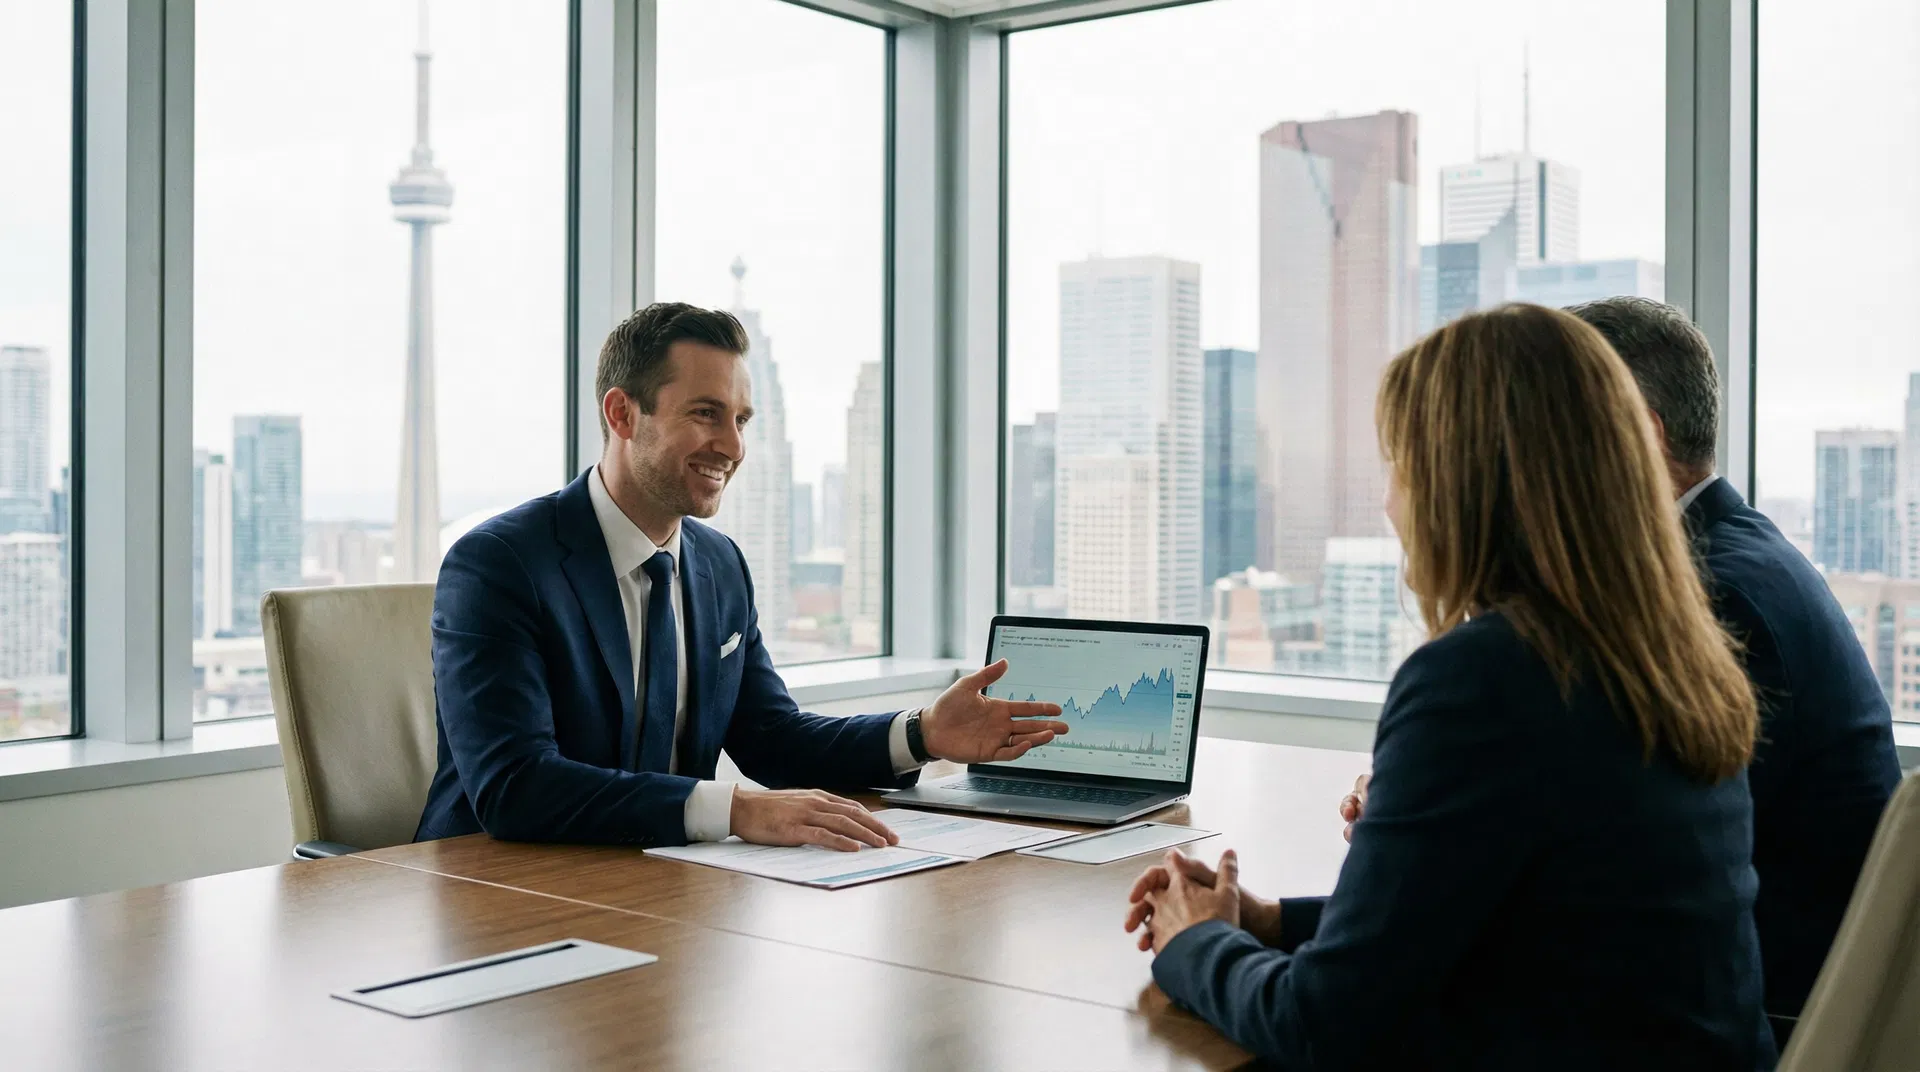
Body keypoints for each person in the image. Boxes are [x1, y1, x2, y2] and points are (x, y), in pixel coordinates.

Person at [1125, 304, 1776, 1069]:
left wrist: (1193, 943)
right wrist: (1269, 924)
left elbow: (1323, 1025)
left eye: (1400, 464)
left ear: (1465, 485)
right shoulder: (1672, 654)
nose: (1389, 501)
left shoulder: (1483, 680)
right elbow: (1520, 920)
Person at [1334, 298, 1902, 1045]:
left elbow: (1621, 861)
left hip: (1755, 1008)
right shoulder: (1732, 556)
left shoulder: (1710, 597)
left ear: (1634, 436)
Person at [415, 302, 1068, 848]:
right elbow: (515, 788)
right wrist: (736, 810)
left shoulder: (718, 565)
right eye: (705, 413)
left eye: (741, 420)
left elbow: (773, 741)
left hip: (658, 889)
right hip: (496, 891)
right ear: (622, 414)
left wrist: (922, 733)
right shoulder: (500, 566)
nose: (732, 445)